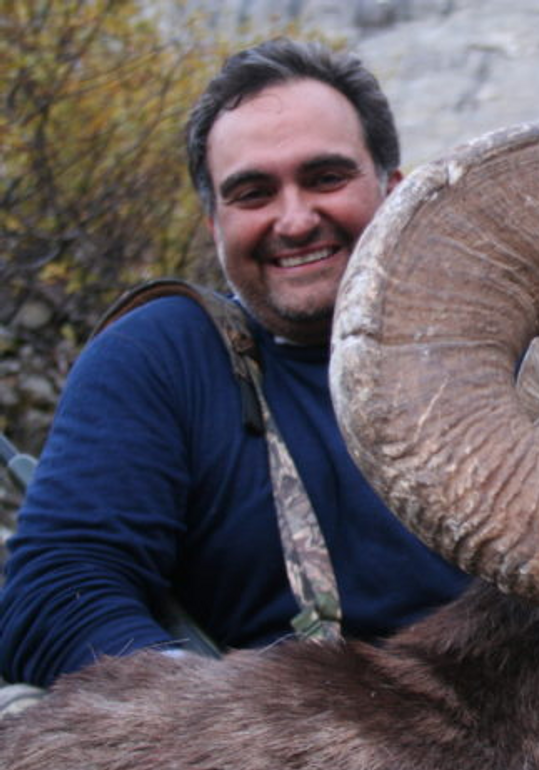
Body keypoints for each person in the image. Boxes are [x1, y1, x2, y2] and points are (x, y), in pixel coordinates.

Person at [0, 38, 470, 688]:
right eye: (253, 193)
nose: (296, 219)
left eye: (326, 177)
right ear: (214, 225)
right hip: (282, 753)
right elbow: (53, 595)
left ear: (394, 188)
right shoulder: (157, 358)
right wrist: (208, 720)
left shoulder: (502, 344)